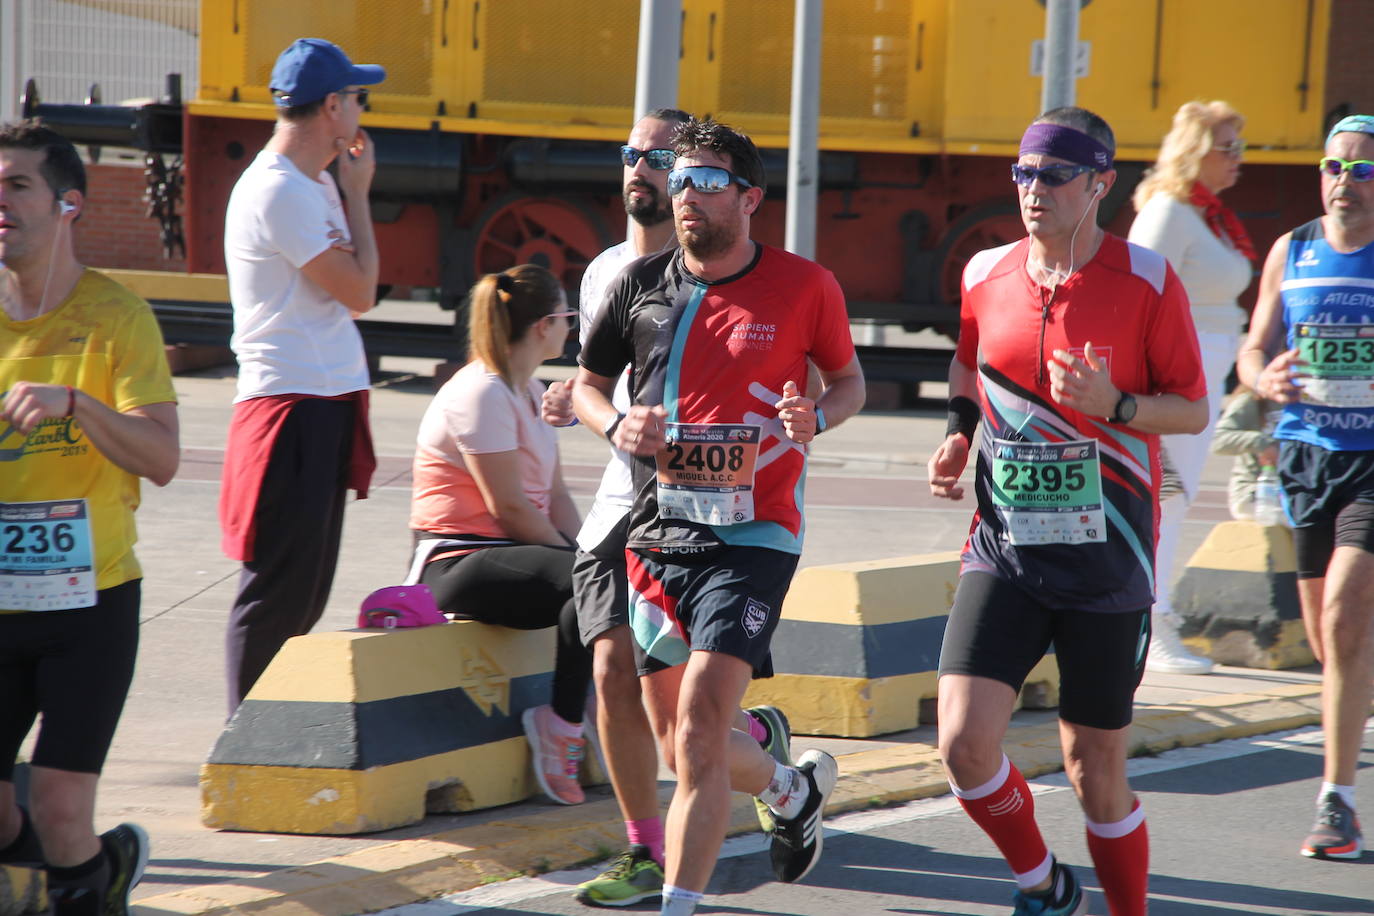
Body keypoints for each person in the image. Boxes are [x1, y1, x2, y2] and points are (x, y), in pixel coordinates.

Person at [572, 116, 866, 916]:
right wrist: (614, 424)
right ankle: (788, 787)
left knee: (703, 729)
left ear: (751, 198)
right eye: (679, 179)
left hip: (755, 531)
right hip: (658, 531)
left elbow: (848, 380)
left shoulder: (807, 286)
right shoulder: (640, 284)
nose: (686, 195)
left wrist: (820, 419)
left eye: (706, 181)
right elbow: (588, 385)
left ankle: (678, 904)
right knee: (680, 747)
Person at [927, 107, 1207, 915]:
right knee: (963, 744)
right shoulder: (985, 272)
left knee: (1094, 771)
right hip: (1004, 549)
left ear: (1100, 185)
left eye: (1053, 174)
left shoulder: (1147, 280)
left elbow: (1190, 409)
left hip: (1108, 559)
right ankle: (1042, 884)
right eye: (1022, 172)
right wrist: (959, 430)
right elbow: (967, 355)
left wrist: (1116, 404)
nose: (1033, 189)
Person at [542, 109, 797, 908]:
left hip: (721, 515)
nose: (643, 173)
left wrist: (800, 414)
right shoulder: (611, 275)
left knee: (688, 730)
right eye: (634, 157)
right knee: (611, 667)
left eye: (661, 159)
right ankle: (645, 851)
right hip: (627, 501)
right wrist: (598, 413)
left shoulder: (765, 279)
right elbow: (598, 384)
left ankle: (772, 773)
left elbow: (806, 374)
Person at [0, 120, 180, 916]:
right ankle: (67, 874)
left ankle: (92, 879)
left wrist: (76, 402)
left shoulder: (117, 317)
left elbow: (163, 456)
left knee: (63, 811)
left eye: (16, 187)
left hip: (91, 601)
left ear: (68, 204)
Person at [218, 38, 384, 715]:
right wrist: (361, 195)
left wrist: (343, 190)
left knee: (307, 590)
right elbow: (362, 291)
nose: (364, 110)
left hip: (322, 399)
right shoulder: (280, 189)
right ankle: (242, 736)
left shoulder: (309, 183)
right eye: (358, 98)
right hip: (290, 405)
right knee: (277, 590)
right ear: (333, 107)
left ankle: (261, 730)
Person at [1236, 113, 1374, 862]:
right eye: (1334, 167)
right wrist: (1263, 375)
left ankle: (1337, 803)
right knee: (1329, 642)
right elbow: (1254, 346)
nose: (1344, 181)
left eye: (1362, 169)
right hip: (1307, 458)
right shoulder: (1293, 250)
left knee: (1351, 616)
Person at [410, 263, 594, 805]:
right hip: (456, 561)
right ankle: (559, 729)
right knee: (593, 584)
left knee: (608, 581)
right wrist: (580, 565)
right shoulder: (481, 393)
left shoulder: (529, 390)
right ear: (543, 326)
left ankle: (588, 714)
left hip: (516, 555)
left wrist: (588, 554)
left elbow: (555, 497)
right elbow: (510, 508)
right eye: (567, 316)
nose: (572, 327)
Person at [1128, 100, 1255, 675]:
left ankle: (1149, 623)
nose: (1238, 160)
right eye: (1227, 148)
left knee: (1173, 497)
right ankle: (1153, 628)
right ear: (1195, 151)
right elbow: (1135, 299)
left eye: (1239, 148)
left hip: (1206, 364)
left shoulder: (1202, 214)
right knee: (1168, 498)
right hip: (1179, 371)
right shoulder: (1169, 212)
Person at [1211, 386, 1281, 521]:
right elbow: (1218, 440)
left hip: (1298, 490)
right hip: (1258, 491)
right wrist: (1264, 443)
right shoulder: (1253, 399)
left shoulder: (1313, 398)